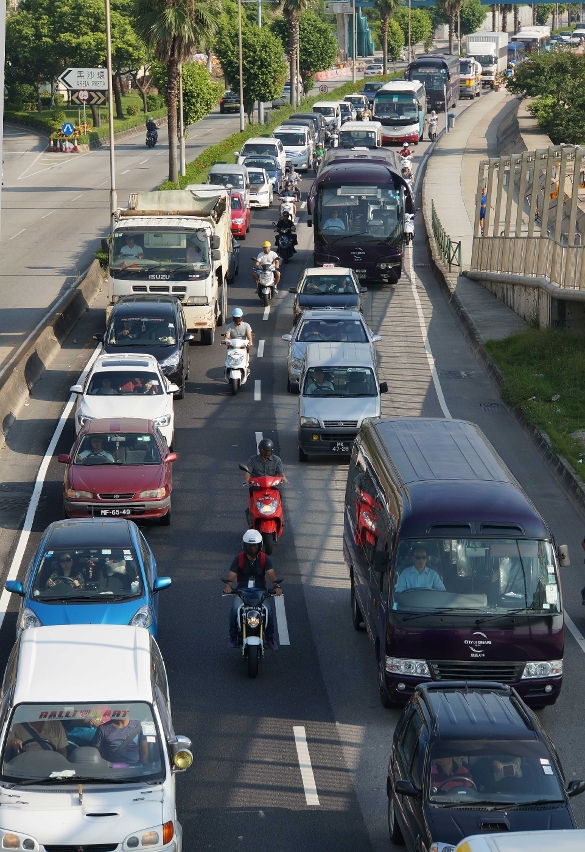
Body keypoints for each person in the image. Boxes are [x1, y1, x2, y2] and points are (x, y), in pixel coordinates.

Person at [223, 529, 283, 650]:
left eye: (255, 546)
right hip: (242, 591)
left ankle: (270, 637)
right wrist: (228, 586)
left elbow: (272, 574)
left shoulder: (264, 558)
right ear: (245, 546)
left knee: (268, 610)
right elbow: (231, 575)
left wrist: (276, 586)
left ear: (260, 545)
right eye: (250, 546)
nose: (253, 548)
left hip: (260, 590)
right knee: (235, 609)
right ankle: (233, 636)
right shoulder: (239, 558)